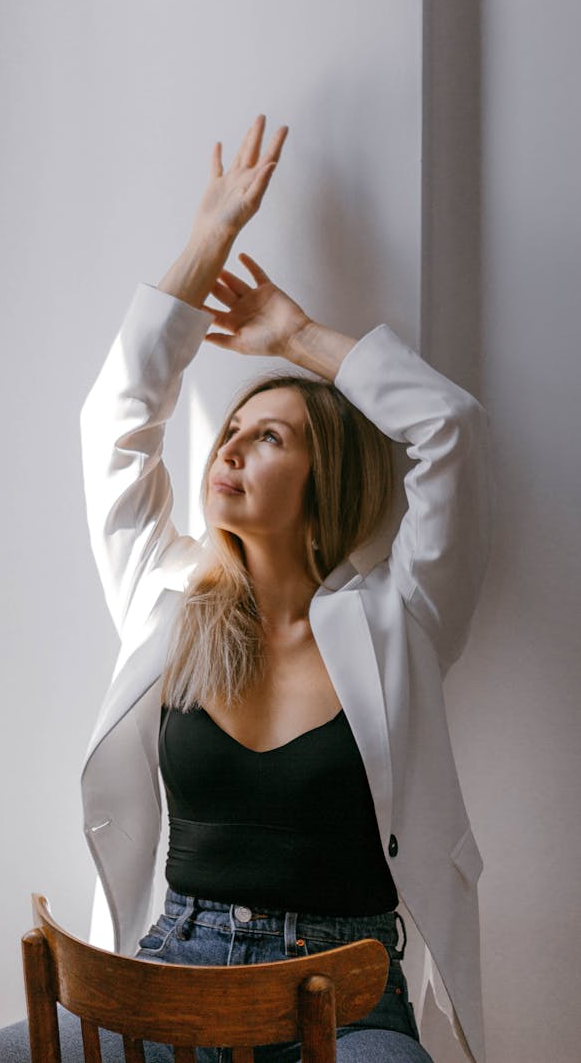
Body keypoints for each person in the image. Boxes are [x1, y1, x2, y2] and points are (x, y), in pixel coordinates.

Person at [79, 115, 495, 1063]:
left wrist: (297, 336)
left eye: (270, 435)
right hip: (173, 971)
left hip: (345, 994)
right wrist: (205, 243)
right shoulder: (166, 594)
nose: (230, 442)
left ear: (329, 481)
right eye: (233, 426)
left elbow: (451, 433)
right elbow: (118, 420)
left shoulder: (403, 615)